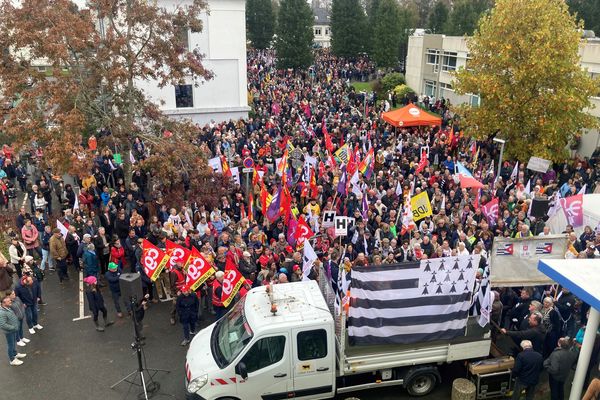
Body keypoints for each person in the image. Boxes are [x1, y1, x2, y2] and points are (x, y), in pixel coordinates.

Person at [0, 295, 26, 365]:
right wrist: (13, 327)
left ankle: (15, 354)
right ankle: (12, 360)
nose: (10, 302)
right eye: (8, 301)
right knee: (10, 345)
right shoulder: (2, 313)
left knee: (13, 343)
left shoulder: (7, 307)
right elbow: (2, 325)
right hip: (9, 332)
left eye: (9, 300)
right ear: (3, 303)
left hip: (13, 330)